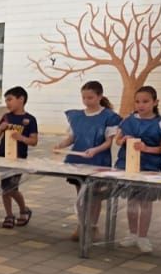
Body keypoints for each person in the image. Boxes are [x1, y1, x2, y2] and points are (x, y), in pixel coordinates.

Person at [51, 80, 121, 241]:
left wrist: (95, 150)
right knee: (81, 195)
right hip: (78, 161)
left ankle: (93, 226)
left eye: (90, 98)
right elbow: (72, 137)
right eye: (84, 98)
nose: (86, 101)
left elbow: (108, 142)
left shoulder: (109, 117)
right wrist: (60, 145)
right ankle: (82, 224)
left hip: (98, 161)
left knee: (95, 196)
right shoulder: (77, 116)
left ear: (99, 96)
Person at [113, 85, 161, 253]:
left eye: (145, 101)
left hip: (150, 167)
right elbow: (117, 141)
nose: (141, 105)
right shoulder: (128, 120)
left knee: (146, 203)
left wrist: (146, 148)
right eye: (138, 101)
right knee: (131, 202)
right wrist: (124, 140)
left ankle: (143, 236)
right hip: (128, 165)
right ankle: (132, 234)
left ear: (155, 102)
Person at [0, 85, 39, 229]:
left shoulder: (30, 119)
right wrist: (0, 128)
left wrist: (21, 138)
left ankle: (24, 209)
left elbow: (34, 141)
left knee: (12, 188)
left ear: (21, 99)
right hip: (3, 157)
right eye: (6, 100)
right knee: (4, 187)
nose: (7, 103)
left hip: (19, 159)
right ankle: (9, 215)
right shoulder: (6, 117)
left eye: (10, 99)